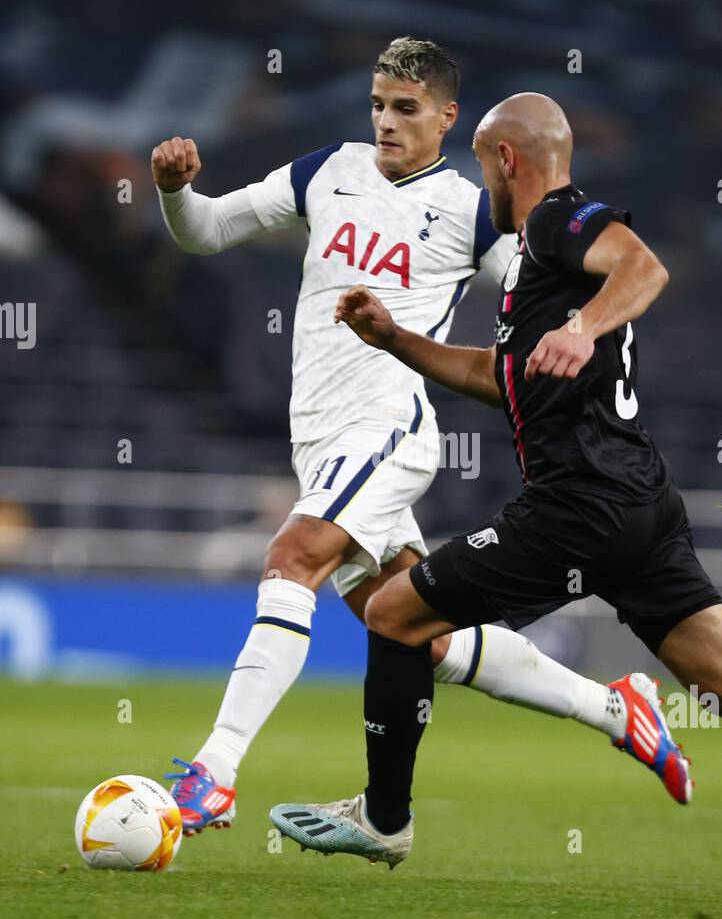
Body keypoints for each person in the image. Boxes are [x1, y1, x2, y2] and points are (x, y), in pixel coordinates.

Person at [270, 92, 722, 875]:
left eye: (483, 166)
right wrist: (397, 339)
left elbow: (645, 266)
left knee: (397, 613)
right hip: (639, 503)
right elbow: (502, 376)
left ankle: (384, 819)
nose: (485, 188)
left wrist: (582, 328)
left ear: (506, 159)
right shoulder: (541, 265)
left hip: (578, 505)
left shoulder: (555, 222)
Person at [153, 42, 686, 833]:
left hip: (388, 426)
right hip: (319, 436)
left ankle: (215, 771)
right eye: (377, 104)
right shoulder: (325, 171)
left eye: (405, 108)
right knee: (410, 627)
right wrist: (174, 191)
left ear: (447, 118)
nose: (386, 121)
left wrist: (585, 334)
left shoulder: (475, 214)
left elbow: (558, 277)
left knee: (291, 557)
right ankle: (617, 708)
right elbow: (203, 230)